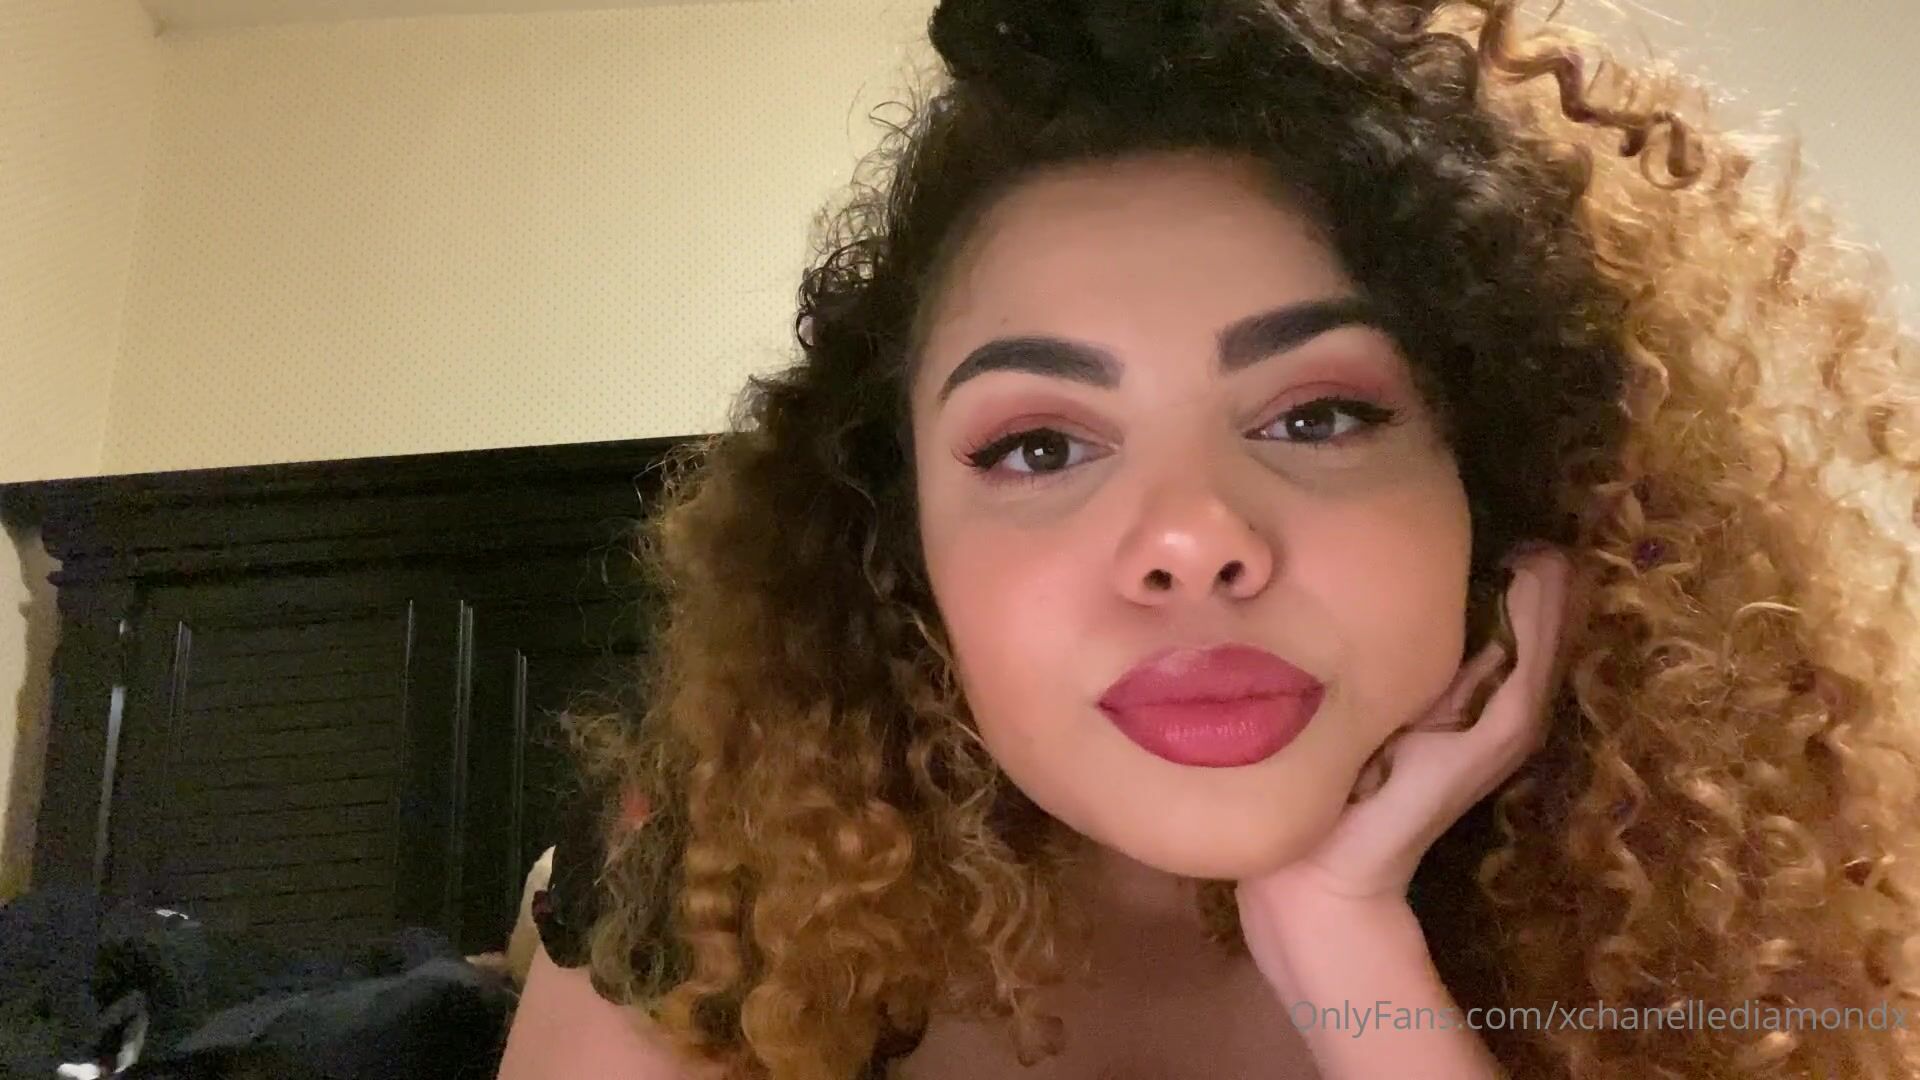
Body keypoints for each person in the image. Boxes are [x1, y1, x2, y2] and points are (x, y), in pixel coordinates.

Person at [498, 0, 1920, 1076]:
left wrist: (1353, 960)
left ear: (1503, 493)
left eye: (1318, 416)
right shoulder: (704, 897)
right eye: (1039, 446)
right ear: (901, 545)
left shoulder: (1755, 933)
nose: (1190, 539)